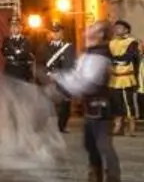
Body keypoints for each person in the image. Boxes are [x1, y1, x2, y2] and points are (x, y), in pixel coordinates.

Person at [50, 20, 120, 182]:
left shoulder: (100, 57)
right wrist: (59, 79)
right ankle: (95, 176)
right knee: (91, 146)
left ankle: (112, 178)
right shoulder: (88, 54)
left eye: (92, 28)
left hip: (101, 108)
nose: (86, 31)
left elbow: (85, 83)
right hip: (91, 109)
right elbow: (76, 76)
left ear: (100, 34)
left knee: (103, 146)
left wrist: (60, 82)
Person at [48, 21, 78, 133]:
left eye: (58, 32)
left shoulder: (68, 47)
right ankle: (49, 127)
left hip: (64, 78)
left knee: (65, 104)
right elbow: (42, 61)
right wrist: (49, 73)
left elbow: (71, 63)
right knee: (51, 103)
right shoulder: (46, 47)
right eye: (54, 32)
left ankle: (61, 126)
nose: (56, 34)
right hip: (50, 78)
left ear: (62, 33)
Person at [113, 21, 139, 137]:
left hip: (126, 77)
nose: (117, 29)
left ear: (126, 30)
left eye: (120, 28)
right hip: (113, 78)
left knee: (128, 102)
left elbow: (127, 58)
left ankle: (131, 126)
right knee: (116, 102)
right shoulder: (111, 43)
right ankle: (118, 125)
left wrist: (113, 60)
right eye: (116, 28)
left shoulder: (132, 42)